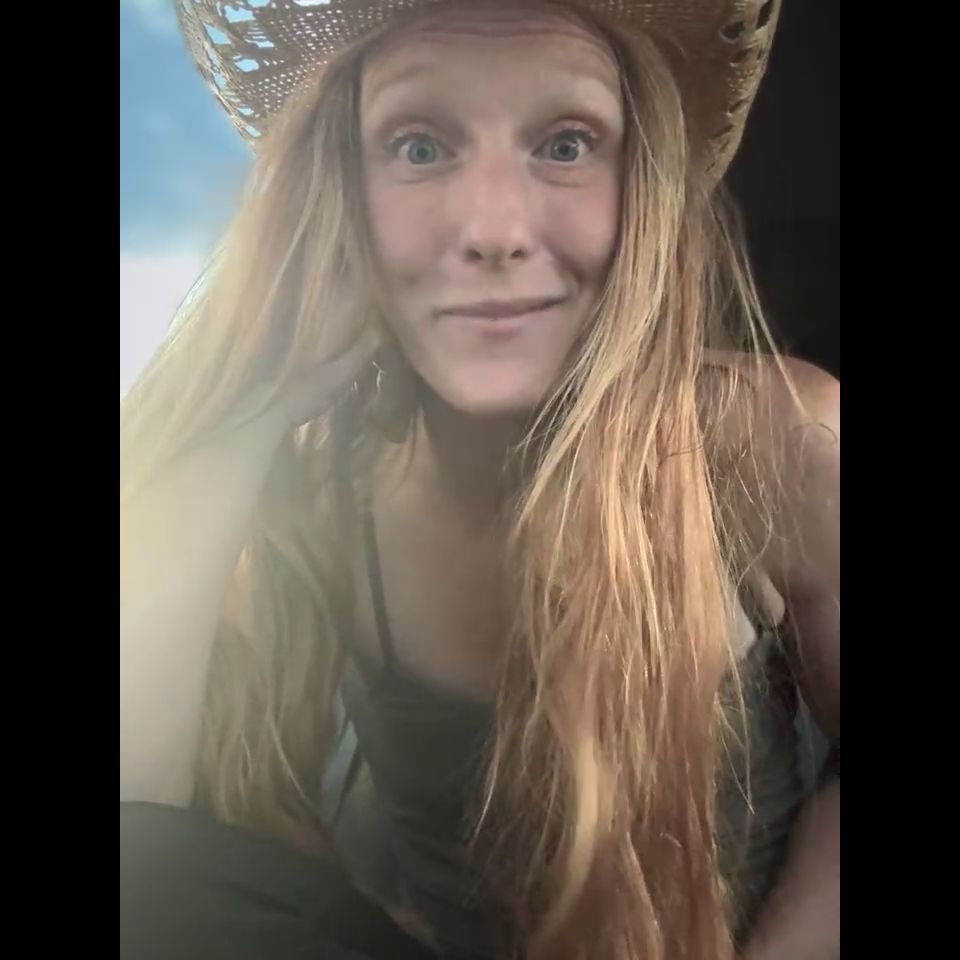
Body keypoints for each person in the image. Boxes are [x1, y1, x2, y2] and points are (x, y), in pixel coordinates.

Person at [119, 1, 840, 958]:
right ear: (339, 193)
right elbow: (141, 835)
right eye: (418, 148)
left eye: (567, 143)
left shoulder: (777, 440)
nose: (493, 229)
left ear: (644, 185)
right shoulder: (322, 484)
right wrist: (250, 408)